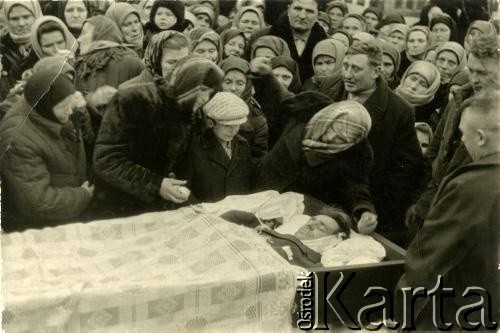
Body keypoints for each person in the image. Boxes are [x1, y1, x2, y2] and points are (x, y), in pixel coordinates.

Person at [396, 89, 499, 330]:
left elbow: (428, 261)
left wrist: (403, 314)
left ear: (481, 138)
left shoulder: (470, 185)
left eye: (463, 134)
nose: (461, 141)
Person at [92, 57, 224, 218]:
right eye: (202, 89)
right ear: (186, 81)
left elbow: (183, 167)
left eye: (211, 93)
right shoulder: (134, 99)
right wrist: (156, 185)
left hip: (160, 210)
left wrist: (187, 200)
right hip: (117, 207)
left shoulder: (193, 116)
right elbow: (106, 159)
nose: (205, 98)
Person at [327, 40, 424, 245]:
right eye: (345, 66)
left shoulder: (399, 110)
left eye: (356, 69)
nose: (347, 74)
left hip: (368, 208)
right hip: (325, 197)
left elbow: (406, 167)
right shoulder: (331, 91)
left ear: (376, 71)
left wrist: (376, 210)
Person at [407, 35, 500, 229]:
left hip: (473, 217)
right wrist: (420, 202)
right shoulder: (459, 99)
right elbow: (435, 152)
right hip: (435, 203)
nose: (475, 79)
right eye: (471, 71)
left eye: (484, 73)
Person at [256, 99, 378, 235]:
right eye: (332, 128)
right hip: (259, 193)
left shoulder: (355, 155)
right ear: (330, 117)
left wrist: (363, 211)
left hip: (294, 215)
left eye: (341, 139)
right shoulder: (302, 114)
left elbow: (356, 188)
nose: (330, 137)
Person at [0, 67, 93, 232]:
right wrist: (82, 195)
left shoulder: (45, 108)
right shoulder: (18, 138)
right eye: (64, 106)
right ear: (45, 105)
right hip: (40, 228)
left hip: (67, 213)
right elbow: (36, 202)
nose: (70, 111)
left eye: (70, 104)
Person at [74, 15, 145, 130]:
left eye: (84, 33)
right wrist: (91, 100)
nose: (79, 39)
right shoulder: (79, 65)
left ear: (101, 34)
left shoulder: (132, 64)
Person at [180, 92, 253, 203]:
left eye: (237, 125)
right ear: (211, 122)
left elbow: (245, 185)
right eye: (227, 126)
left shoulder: (243, 145)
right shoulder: (194, 148)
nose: (233, 131)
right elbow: (184, 190)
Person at [255, 0, 327, 81]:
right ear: (288, 10)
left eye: (309, 11)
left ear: (318, 15)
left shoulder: (326, 43)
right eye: (297, 9)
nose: (302, 16)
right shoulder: (262, 37)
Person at [219, 56, 268, 165]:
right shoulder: (205, 111)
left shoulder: (257, 119)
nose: (233, 88)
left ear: (247, 86)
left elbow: (258, 158)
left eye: (240, 83)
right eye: (227, 82)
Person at [0, 0, 42, 101]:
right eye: (14, 19)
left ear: (36, 15)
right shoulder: (2, 47)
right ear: (6, 19)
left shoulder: (50, 43)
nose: (21, 23)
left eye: (26, 17)